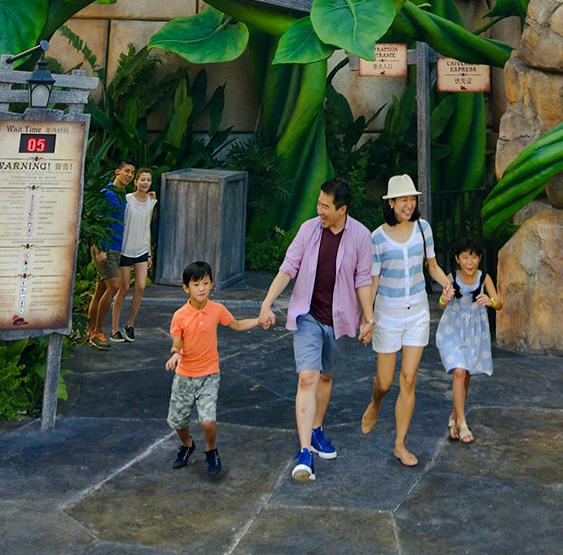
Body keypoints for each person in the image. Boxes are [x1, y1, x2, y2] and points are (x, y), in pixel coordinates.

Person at [257, 178, 375, 483]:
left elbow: (363, 280)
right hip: (307, 314)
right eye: (318, 204)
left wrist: (369, 317)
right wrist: (267, 303)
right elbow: (288, 267)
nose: (319, 210)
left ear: (342, 209)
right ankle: (305, 451)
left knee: (325, 376)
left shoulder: (361, 236)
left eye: (325, 206)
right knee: (307, 377)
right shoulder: (308, 230)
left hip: (339, 319)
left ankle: (317, 429)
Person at [360, 174, 451, 467]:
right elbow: (373, 282)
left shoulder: (423, 229)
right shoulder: (376, 237)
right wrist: (368, 318)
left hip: (418, 314)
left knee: (409, 379)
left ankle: (400, 444)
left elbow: (432, 266)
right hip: (387, 314)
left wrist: (446, 284)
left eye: (412, 199)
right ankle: (376, 401)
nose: (409, 205)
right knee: (386, 383)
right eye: (403, 200)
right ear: (391, 203)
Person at [165, 260, 260, 477]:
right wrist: (176, 353)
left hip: (209, 374)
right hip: (184, 376)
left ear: (211, 285)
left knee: (208, 422)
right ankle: (187, 445)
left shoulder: (217, 309)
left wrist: (258, 320)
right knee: (178, 422)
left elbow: (236, 324)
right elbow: (177, 341)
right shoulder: (180, 315)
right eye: (196, 284)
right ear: (186, 288)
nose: (202, 288)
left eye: (206, 283)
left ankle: (211, 450)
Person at [435, 238, 500, 443]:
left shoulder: (484, 278)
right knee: (459, 371)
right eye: (465, 257)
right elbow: (441, 304)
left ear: (479, 258)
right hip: (452, 329)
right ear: (457, 259)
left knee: (466, 376)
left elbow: (499, 303)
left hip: (475, 331)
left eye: (473, 257)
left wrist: (490, 301)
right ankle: (462, 423)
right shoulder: (451, 277)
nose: (469, 262)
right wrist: (445, 298)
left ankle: (454, 416)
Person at [86, 160, 135, 349]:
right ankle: (97, 332)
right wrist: (99, 249)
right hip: (105, 248)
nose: (129, 175)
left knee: (101, 290)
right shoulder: (106, 193)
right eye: (126, 171)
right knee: (114, 285)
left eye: (132, 172)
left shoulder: (123, 196)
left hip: (116, 247)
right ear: (117, 171)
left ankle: (90, 331)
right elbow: (96, 221)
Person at [110, 167, 156, 342]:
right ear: (135, 182)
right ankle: (114, 328)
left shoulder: (151, 202)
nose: (145, 183)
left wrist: (149, 253)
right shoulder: (127, 199)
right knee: (124, 288)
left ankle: (130, 325)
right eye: (142, 179)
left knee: (141, 286)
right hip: (125, 249)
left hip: (142, 250)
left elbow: (147, 228)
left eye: (148, 180)